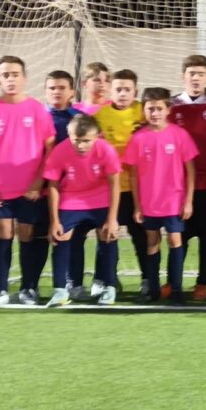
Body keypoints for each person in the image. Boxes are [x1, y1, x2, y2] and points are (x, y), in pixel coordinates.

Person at [0, 56, 55, 308]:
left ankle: (29, 287)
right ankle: (0, 289)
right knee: (4, 234)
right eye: (5, 75)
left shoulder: (36, 109)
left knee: (27, 235)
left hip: (29, 189)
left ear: (25, 78)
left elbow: (49, 150)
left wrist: (37, 183)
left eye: (15, 74)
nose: (10, 79)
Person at [124, 88, 198, 304]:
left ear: (168, 110)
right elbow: (134, 175)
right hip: (149, 202)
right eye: (150, 109)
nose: (155, 113)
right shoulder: (138, 139)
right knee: (152, 242)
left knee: (175, 240)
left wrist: (188, 200)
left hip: (174, 201)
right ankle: (153, 290)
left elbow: (190, 169)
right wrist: (137, 206)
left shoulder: (179, 134)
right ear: (144, 110)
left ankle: (175, 289)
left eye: (159, 108)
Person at [43, 114, 121, 307]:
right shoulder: (60, 151)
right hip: (71, 198)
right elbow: (52, 185)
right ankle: (61, 290)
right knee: (60, 237)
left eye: (86, 141)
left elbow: (114, 184)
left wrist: (112, 219)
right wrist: (54, 221)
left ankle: (108, 286)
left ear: (97, 137)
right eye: (76, 140)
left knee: (108, 236)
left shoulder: (106, 150)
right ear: (69, 135)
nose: (81, 145)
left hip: (100, 196)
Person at [169, 55, 206, 301]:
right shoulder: (170, 106)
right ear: (183, 76)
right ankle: (174, 282)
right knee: (178, 236)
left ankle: (202, 283)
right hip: (178, 186)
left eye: (201, 74)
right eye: (191, 73)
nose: (195, 78)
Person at [92, 69, 147, 296]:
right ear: (110, 90)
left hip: (139, 189)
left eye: (127, 90)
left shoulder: (143, 112)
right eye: (118, 89)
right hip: (109, 188)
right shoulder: (100, 116)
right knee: (107, 234)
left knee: (141, 234)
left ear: (135, 91)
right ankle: (108, 280)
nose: (122, 94)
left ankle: (148, 278)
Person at [45, 70, 82, 144]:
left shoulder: (81, 118)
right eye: (52, 88)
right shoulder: (36, 116)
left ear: (72, 92)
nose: (56, 92)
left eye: (62, 88)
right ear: (45, 91)